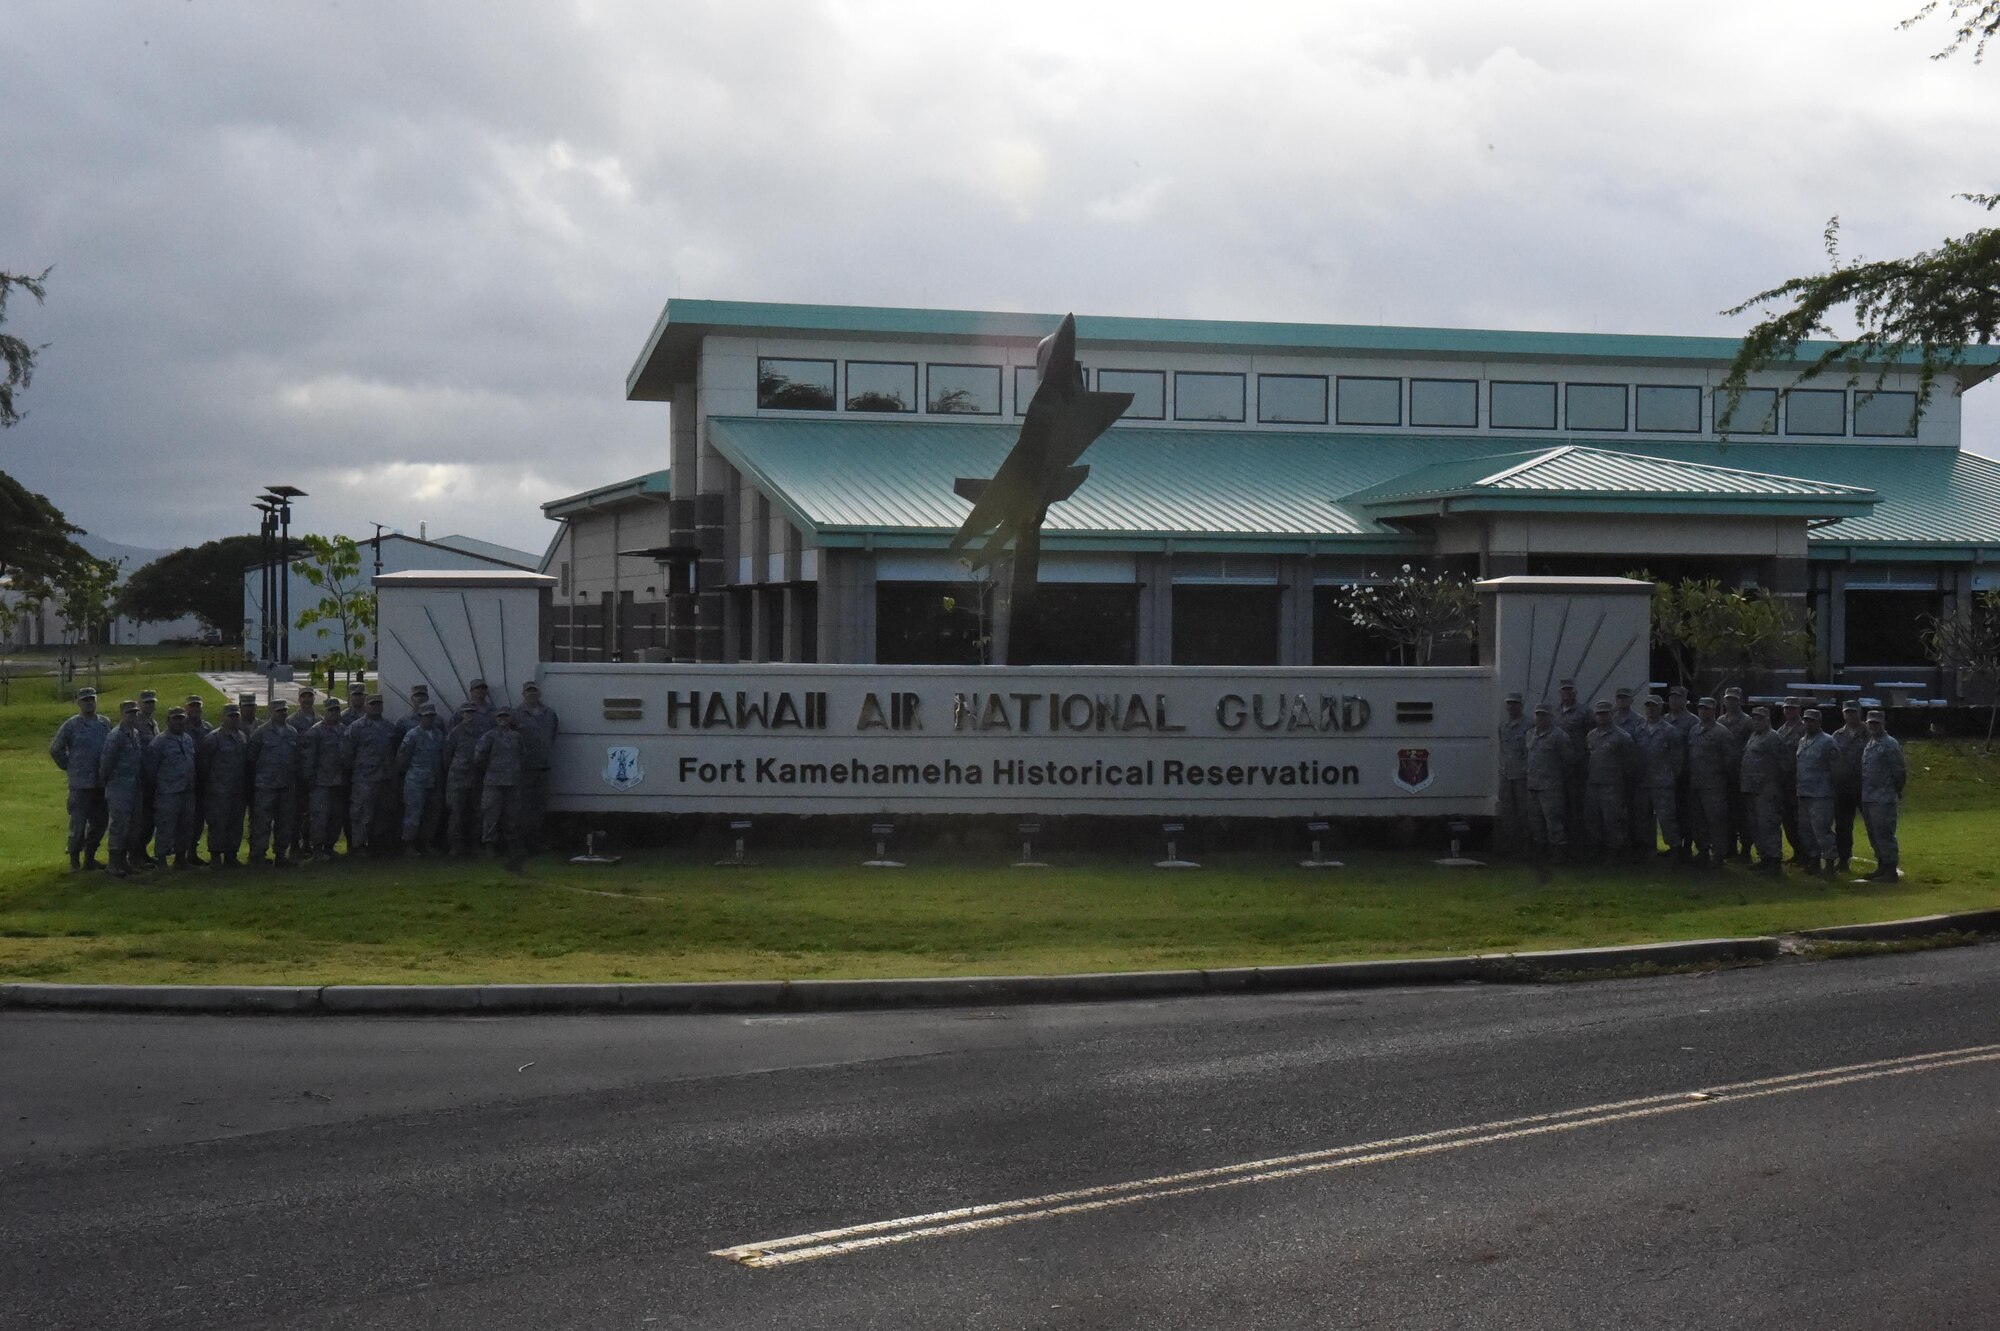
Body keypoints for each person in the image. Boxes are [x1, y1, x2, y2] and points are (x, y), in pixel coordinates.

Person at [49, 687, 112, 873]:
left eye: (92, 699)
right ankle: (74, 860)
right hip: (80, 784)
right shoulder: (71, 725)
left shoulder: (104, 723)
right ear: (78, 702)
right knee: (78, 824)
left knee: (100, 822)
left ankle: (90, 858)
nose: (89, 703)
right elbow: (55, 748)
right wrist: (69, 766)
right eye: (85, 700)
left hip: (100, 782)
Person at [244, 699, 301, 868]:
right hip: (265, 786)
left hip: (286, 785)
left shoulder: (292, 732)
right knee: (262, 822)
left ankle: (281, 854)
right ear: (271, 712)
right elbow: (251, 758)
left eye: (284, 710)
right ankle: (257, 855)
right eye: (278, 711)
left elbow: (296, 758)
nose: (282, 713)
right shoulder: (261, 733)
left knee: (285, 821)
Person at [343, 695, 400, 856]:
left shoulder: (389, 727)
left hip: (385, 777)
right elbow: (347, 753)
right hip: (364, 778)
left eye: (378, 704)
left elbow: (395, 751)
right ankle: (358, 845)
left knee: (383, 813)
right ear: (366, 706)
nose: (376, 707)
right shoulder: (356, 728)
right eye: (372, 704)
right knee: (362, 813)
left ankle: (377, 845)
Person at [144, 707, 200, 871]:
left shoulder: (188, 739)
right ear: (168, 721)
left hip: (187, 791)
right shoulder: (159, 742)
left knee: (186, 826)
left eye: (181, 718)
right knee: (166, 826)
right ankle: (161, 860)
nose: (179, 722)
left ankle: (181, 858)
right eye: (175, 719)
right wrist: (161, 786)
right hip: (168, 792)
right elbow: (151, 769)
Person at [1686, 697, 1739, 869]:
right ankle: (1702, 850)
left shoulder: (1721, 733)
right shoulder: (1694, 730)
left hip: (1715, 785)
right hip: (1696, 783)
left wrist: (1725, 780)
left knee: (1716, 820)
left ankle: (1719, 854)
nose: (1703, 711)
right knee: (1697, 819)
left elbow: (1730, 760)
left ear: (1714, 711)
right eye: (1701, 708)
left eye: (1707, 709)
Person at [1633, 694, 1686, 860]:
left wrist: (1670, 777)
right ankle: (1647, 848)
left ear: (1661, 708)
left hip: (1662, 783)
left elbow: (1678, 759)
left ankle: (1675, 848)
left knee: (1666, 818)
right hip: (1643, 782)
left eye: (1654, 706)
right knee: (1643, 818)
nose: (1650, 709)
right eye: (1648, 706)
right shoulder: (1639, 729)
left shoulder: (1670, 731)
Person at [97, 701, 147, 878]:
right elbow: (106, 764)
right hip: (119, 787)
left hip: (134, 787)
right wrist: (108, 784)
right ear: (122, 714)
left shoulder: (135, 733)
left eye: (134, 713)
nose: (132, 716)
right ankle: (114, 862)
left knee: (133, 826)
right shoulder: (115, 736)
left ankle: (124, 860)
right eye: (129, 713)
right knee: (119, 825)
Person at [199, 704, 250, 868]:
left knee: (235, 823)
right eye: (231, 716)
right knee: (218, 824)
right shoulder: (213, 738)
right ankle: (215, 856)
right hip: (218, 791)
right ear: (223, 717)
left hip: (237, 789)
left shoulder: (242, 736)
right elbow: (204, 766)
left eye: (236, 716)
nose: (234, 719)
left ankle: (231, 855)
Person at [1738, 707, 1788, 875]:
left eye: (1760, 719)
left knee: (1768, 824)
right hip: (1751, 787)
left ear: (1768, 720)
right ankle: (1764, 857)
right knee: (1756, 825)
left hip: (1766, 789)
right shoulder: (1754, 736)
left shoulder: (1773, 737)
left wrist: (1774, 785)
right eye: (1754, 718)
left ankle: (1774, 861)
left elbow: (1782, 764)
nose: (1756, 721)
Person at [1859, 710, 1908, 883]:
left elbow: (1900, 771)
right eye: (1870, 723)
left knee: (1885, 833)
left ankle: (1890, 869)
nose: (1873, 726)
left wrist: (1896, 790)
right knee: (1874, 834)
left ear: (1883, 724)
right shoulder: (1870, 743)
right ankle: (1882, 865)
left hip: (1883, 797)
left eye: (1876, 723)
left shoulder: (1890, 744)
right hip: (1869, 797)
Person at [1583, 700, 1634, 860]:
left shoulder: (1622, 737)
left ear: (1611, 715)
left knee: (1612, 820)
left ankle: (1615, 851)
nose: (1601, 717)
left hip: (1612, 785)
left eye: (1605, 713)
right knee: (1592, 819)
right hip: (1593, 784)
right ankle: (1596, 849)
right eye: (1599, 714)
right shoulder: (1591, 736)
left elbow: (1630, 763)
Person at [474, 706, 525, 865]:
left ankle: (511, 845)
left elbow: (523, 755)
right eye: (500, 716)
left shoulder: (517, 737)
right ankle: (489, 845)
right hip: (493, 782)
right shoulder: (488, 736)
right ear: (495, 719)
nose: (503, 719)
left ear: (510, 718)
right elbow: (479, 758)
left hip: (513, 781)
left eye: (506, 716)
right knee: (491, 815)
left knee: (512, 815)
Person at [1793, 708, 1839, 876]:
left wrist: (1832, 789)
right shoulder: (1802, 741)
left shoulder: (1828, 741)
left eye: (1812, 720)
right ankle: (1813, 860)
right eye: (1806, 720)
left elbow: (1835, 767)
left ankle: (1829, 862)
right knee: (1805, 830)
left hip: (1821, 793)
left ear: (1819, 722)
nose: (1808, 723)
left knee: (1822, 829)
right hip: (1804, 791)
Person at [302, 698, 350, 860]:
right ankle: (317, 848)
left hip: (339, 781)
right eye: (331, 710)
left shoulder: (345, 730)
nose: (334, 713)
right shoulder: (315, 732)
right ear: (324, 712)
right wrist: (310, 780)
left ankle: (330, 846)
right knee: (319, 817)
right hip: (321, 782)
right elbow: (309, 759)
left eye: (337, 710)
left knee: (337, 817)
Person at [1523, 702, 1570, 865]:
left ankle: (1559, 853)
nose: (1540, 718)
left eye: (1544, 715)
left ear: (1551, 716)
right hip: (1533, 785)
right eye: (1538, 715)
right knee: (1535, 821)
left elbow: (1567, 760)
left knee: (1553, 821)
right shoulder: (1530, 734)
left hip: (1551, 786)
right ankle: (1539, 852)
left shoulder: (1559, 736)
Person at [397, 703, 447, 854]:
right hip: (416, 781)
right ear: (420, 717)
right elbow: (402, 758)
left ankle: (427, 843)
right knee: (413, 813)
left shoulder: (439, 734)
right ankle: (409, 844)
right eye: (426, 716)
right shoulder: (412, 735)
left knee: (432, 813)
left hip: (435, 779)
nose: (429, 719)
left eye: (432, 716)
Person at [515, 680, 558, 851]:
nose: (531, 694)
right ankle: (520, 842)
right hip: (525, 768)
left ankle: (535, 841)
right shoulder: (516, 714)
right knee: (523, 807)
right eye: (528, 691)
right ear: (523, 694)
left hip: (543, 767)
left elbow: (553, 735)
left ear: (539, 693)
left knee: (540, 807)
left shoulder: (550, 714)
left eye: (534, 691)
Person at [1830, 702, 1868, 873]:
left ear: (1859, 713)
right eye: (1847, 712)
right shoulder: (1837, 736)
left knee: (1874, 825)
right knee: (1843, 826)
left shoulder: (1870, 732)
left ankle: (1885, 862)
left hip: (1866, 787)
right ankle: (1843, 859)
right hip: (1843, 788)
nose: (1850, 715)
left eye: (1853, 712)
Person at [1555, 679, 1592, 851]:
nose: (1567, 693)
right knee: (1560, 808)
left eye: (1570, 690)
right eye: (1564, 690)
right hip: (1558, 769)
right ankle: (1563, 845)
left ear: (1575, 692)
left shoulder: (1585, 712)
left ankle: (1580, 846)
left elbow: (1592, 736)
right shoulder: (1555, 713)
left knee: (1577, 807)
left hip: (1577, 767)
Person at [442, 702, 483, 854]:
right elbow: (446, 756)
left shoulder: (481, 732)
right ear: (461, 715)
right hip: (457, 778)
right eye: (467, 712)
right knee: (456, 813)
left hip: (476, 777)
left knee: (477, 812)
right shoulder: (455, 733)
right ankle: (455, 844)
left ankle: (475, 843)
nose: (470, 715)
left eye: (472, 712)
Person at [1495, 693, 1531, 857]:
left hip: (1522, 774)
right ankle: (1509, 844)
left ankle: (1526, 844)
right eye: (1509, 704)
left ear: (1520, 705)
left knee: (1524, 811)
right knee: (1507, 810)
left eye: (1514, 703)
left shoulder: (1529, 724)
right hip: (1506, 774)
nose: (1511, 707)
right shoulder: (1503, 725)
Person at [289, 687, 320, 859]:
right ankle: (294, 844)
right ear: (299, 700)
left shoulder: (320, 720)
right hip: (298, 773)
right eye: (303, 697)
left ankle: (308, 843)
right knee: (296, 811)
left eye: (310, 696)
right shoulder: (292, 722)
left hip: (315, 774)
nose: (307, 700)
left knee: (312, 811)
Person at [1776, 698, 1805, 860]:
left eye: (1792, 708)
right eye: (1787, 708)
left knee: (1799, 820)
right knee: (1787, 820)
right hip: (1784, 782)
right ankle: (1797, 852)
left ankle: (1805, 853)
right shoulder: (1781, 730)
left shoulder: (1803, 729)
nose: (1789, 711)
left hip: (1798, 781)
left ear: (1798, 709)